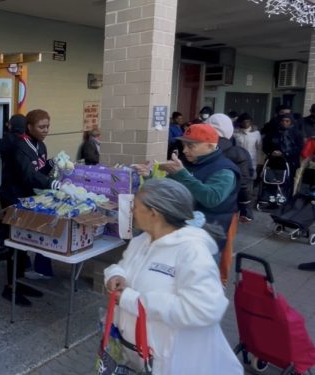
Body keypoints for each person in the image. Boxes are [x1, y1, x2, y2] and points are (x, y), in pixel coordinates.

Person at [104, 179, 243, 374]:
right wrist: (115, 274)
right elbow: (125, 268)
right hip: (141, 358)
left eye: (136, 206)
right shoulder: (142, 241)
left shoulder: (192, 251)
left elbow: (204, 310)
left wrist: (131, 299)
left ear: (154, 213)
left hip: (178, 363)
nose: (132, 212)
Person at [145, 124, 239, 284]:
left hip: (205, 239)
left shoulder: (225, 170)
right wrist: (149, 176)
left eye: (191, 146)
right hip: (178, 234)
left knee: (198, 285)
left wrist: (183, 174)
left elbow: (211, 198)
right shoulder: (186, 163)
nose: (185, 150)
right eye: (183, 145)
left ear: (210, 145)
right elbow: (167, 189)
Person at [2, 109, 62, 306]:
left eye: (47, 126)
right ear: (29, 127)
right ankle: (10, 287)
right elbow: (27, 175)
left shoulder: (41, 145)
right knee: (15, 242)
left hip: (28, 199)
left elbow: (39, 169)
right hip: (13, 198)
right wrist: (51, 184)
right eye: (41, 127)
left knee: (25, 242)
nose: (46, 130)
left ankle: (19, 282)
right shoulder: (19, 146)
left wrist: (53, 164)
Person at [263, 113, 304, 191]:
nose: (284, 123)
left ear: (291, 122)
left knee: (288, 181)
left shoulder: (296, 134)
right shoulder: (273, 133)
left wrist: (285, 153)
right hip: (274, 161)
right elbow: (265, 146)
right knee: (272, 181)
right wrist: (271, 152)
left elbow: (299, 147)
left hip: (290, 162)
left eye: (287, 121)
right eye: (282, 121)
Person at [232, 113, 262, 222]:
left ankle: (246, 212)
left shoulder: (256, 133)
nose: (246, 123)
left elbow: (259, 149)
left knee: (248, 188)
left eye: (248, 121)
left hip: (251, 163)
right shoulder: (235, 133)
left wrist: (259, 164)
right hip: (238, 162)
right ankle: (235, 209)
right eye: (244, 121)